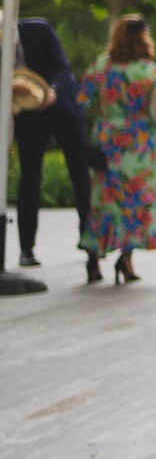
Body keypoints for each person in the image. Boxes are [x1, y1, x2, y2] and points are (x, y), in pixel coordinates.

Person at [76, 15, 156, 285]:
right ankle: (126, 258)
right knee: (136, 200)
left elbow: (83, 99)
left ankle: (93, 256)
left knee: (104, 200)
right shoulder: (152, 72)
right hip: (139, 145)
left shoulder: (100, 67)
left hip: (107, 141)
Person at [9, 17, 93, 271]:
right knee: (29, 178)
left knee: (79, 172)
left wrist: (51, 90)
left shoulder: (38, 29)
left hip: (61, 108)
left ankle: (89, 239)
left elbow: (63, 68)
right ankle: (26, 248)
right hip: (27, 114)